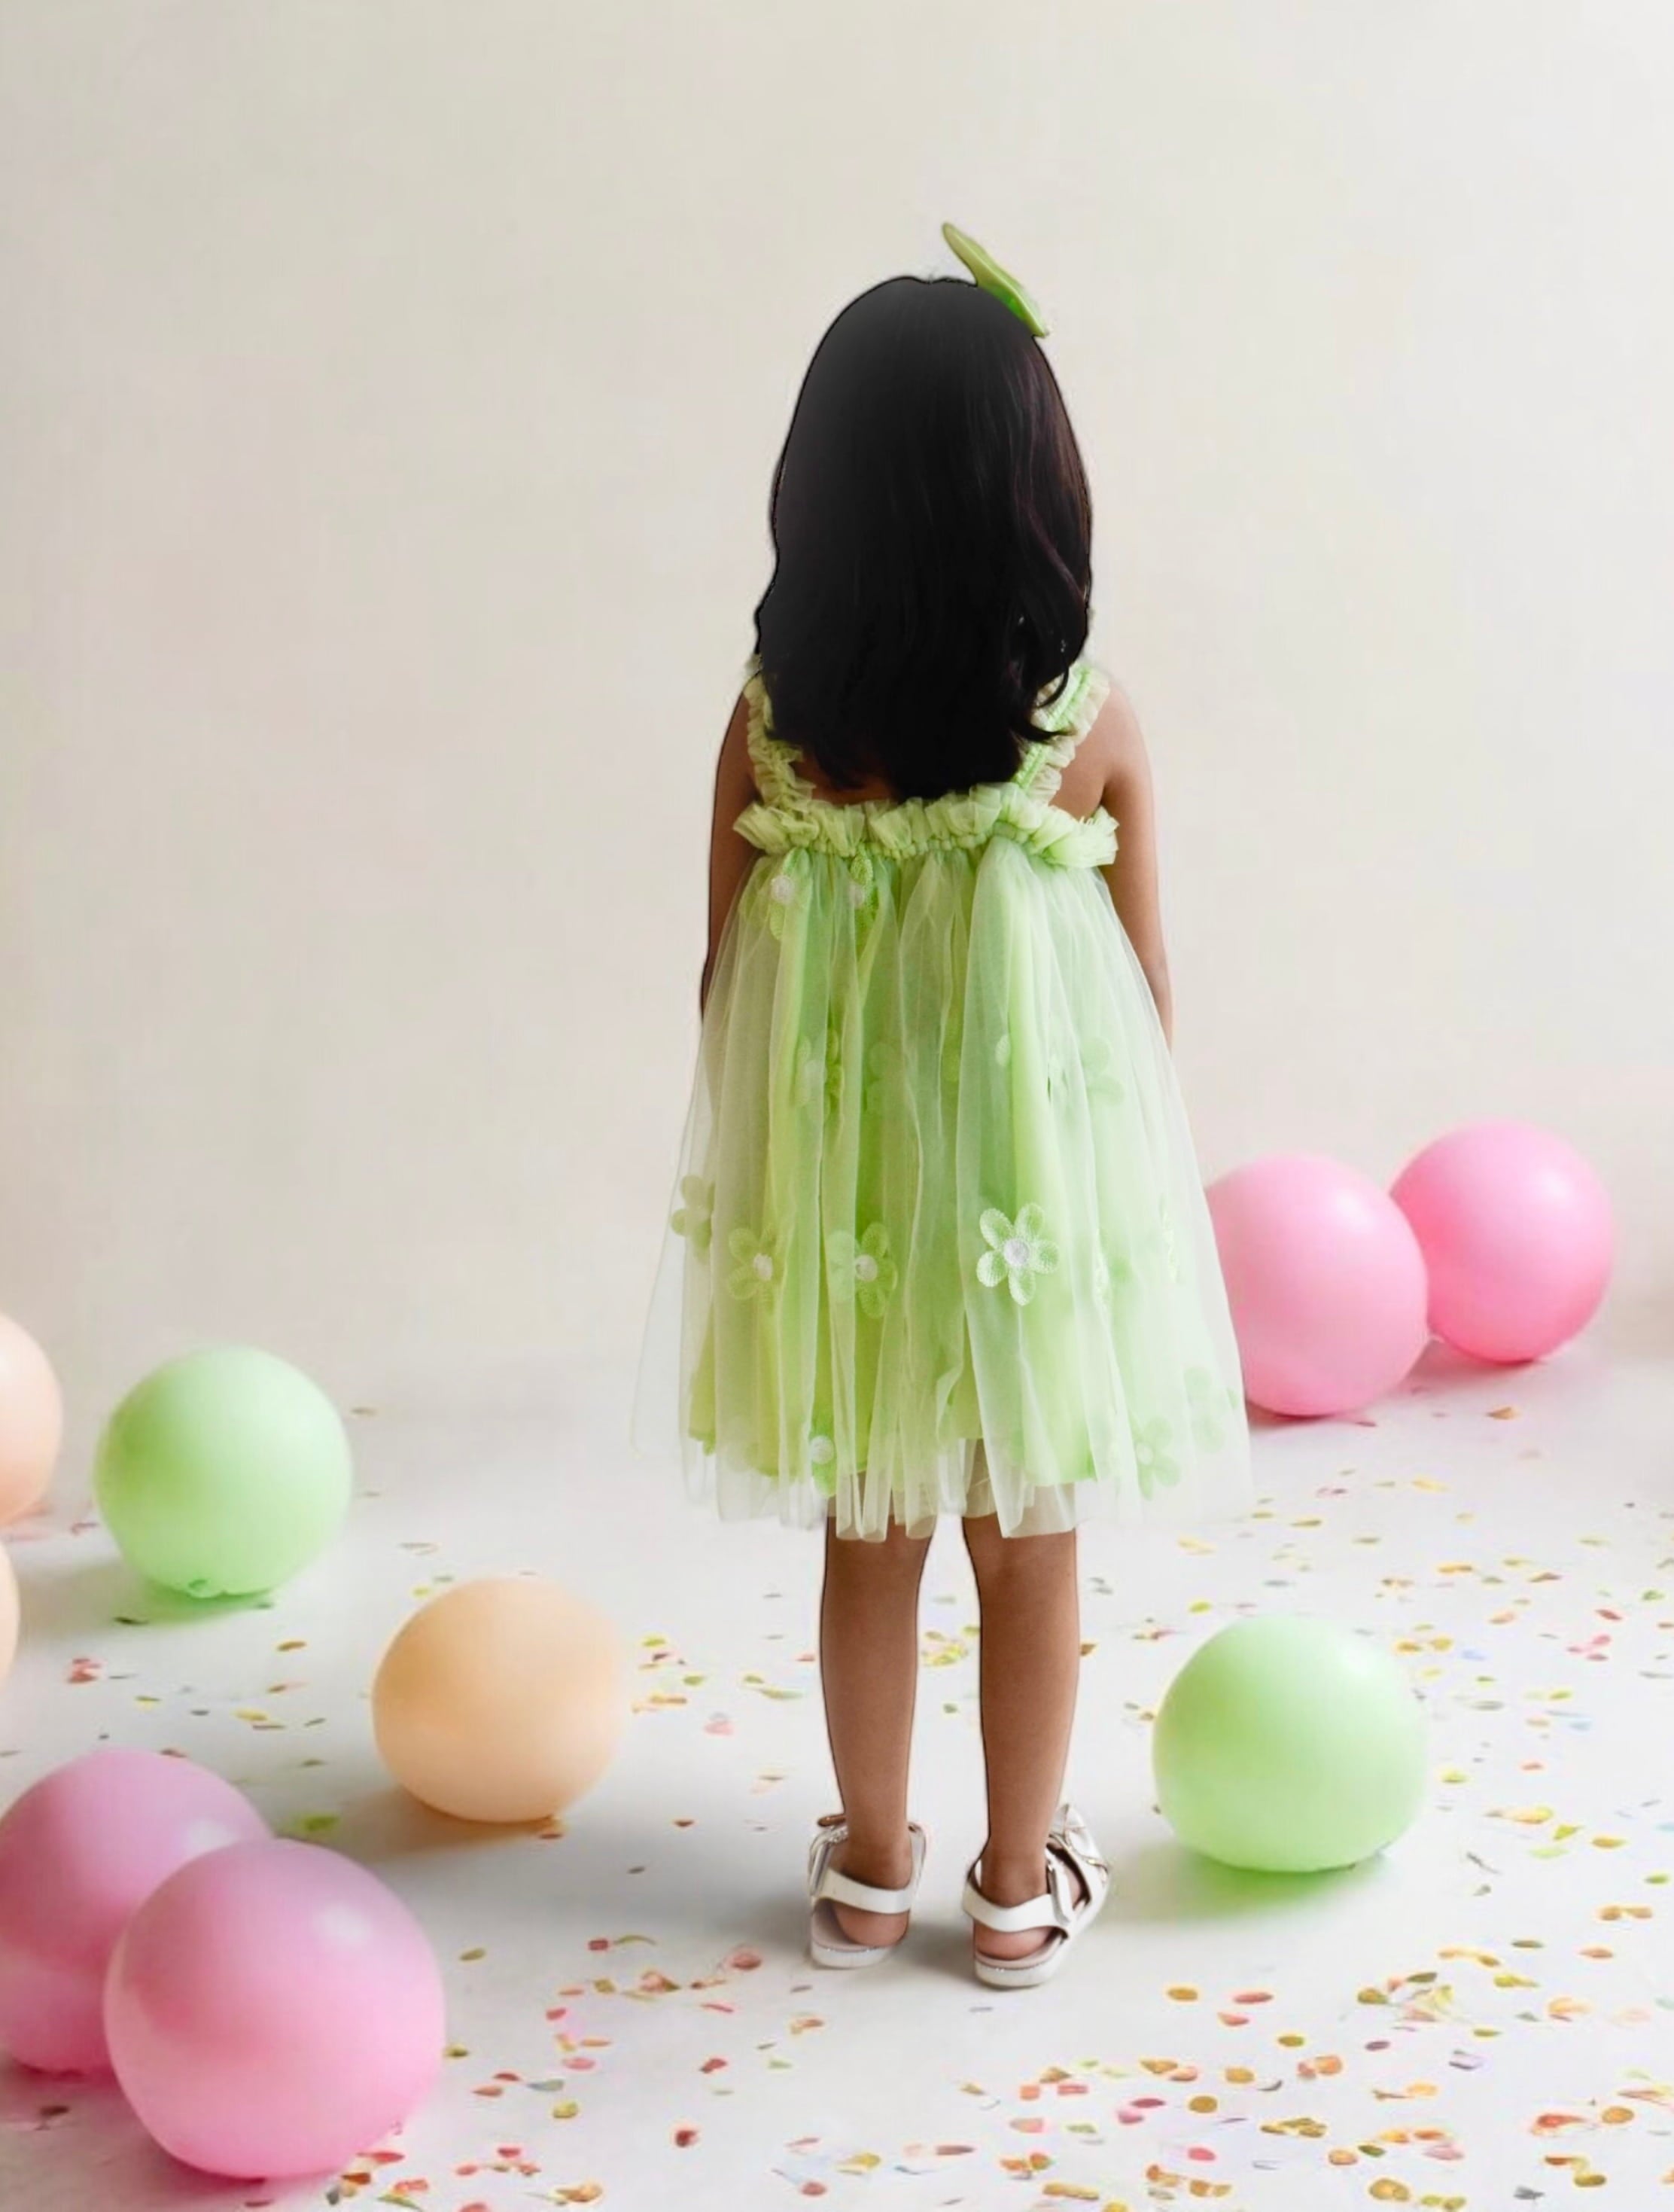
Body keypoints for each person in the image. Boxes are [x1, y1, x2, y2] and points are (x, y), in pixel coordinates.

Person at [638, 227, 1247, 1988]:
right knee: (1028, 1537)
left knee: (869, 1531)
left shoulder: (768, 730)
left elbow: (722, 979)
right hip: (1030, 1203)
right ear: (1032, 490)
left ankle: (865, 1874)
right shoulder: (1085, 721)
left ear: (813, 499)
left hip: (847, 1203)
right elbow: (1143, 1004)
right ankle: (1007, 1887)